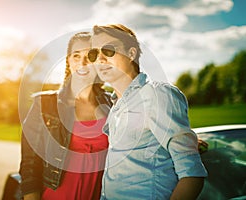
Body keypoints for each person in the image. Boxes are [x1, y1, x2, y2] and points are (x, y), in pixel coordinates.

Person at [88, 24, 208, 199]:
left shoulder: (158, 95)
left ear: (131, 54)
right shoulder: (116, 106)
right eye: (94, 54)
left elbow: (192, 175)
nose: (100, 59)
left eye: (108, 50)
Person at [19, 32, 112, 200]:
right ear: (69, 61)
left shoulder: (112, 105)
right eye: (76, 56)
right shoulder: (45, 104)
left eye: (89, 56)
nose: (83, 63)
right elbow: (29, 166)